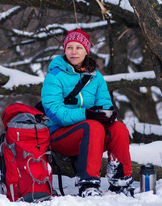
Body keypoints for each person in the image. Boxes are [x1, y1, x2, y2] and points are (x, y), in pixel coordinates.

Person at [41, 29, 134, 197]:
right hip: (59, 135)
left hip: (91, 134)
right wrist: (88, 114)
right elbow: (56, 113)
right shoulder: (54, 77)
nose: (74, 51)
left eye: (78, 47)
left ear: (86, 50)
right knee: (92, 126)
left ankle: (121, 182)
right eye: (69, 47)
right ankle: (88, 184)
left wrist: (109, 114)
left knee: (119, 128)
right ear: (64, 50)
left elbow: (104, 104)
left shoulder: (96, 77)